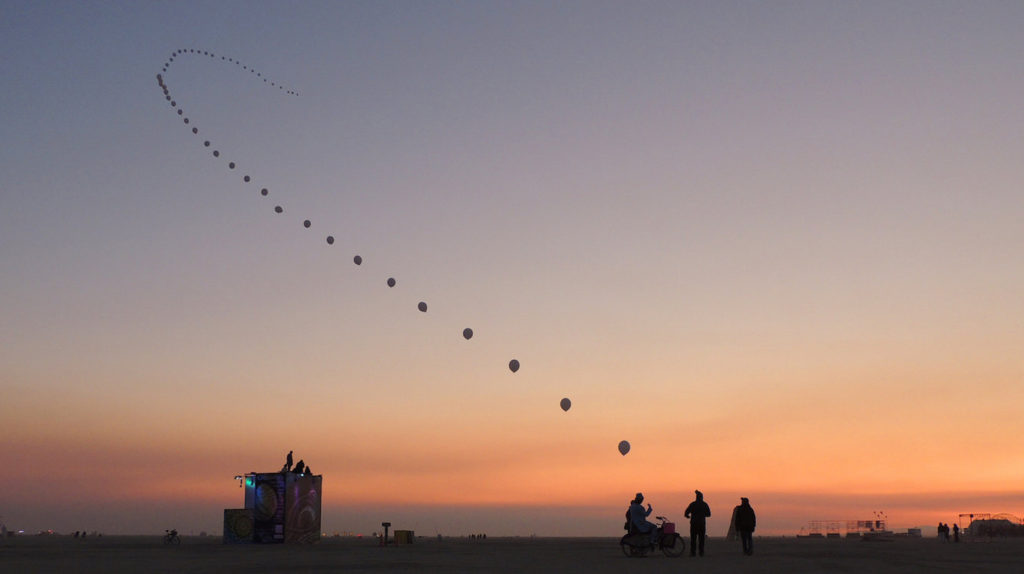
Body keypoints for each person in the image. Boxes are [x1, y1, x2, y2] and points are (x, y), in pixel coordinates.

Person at [684, 490, 711, 556]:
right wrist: (703, 514)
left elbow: (686, 513)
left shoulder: (693, 504)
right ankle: (701, 552)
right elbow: (709, 514)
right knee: (701, 539)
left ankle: (693, 553)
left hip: (694, 524)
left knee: (693, 539)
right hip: (701, 524)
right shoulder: (704, 504)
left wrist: (688, 516)